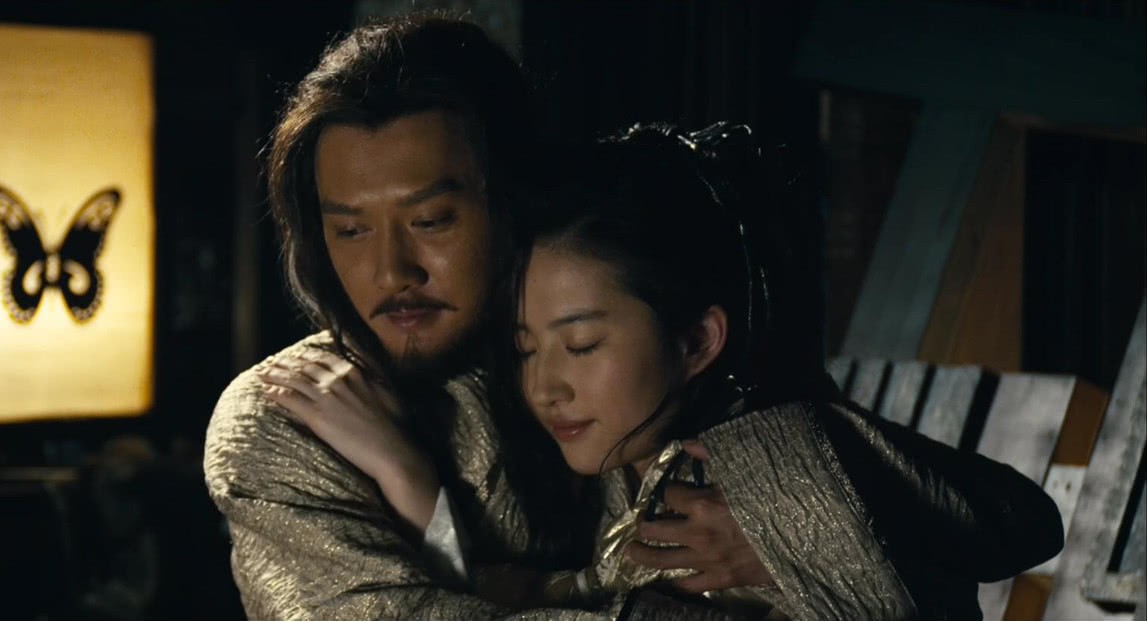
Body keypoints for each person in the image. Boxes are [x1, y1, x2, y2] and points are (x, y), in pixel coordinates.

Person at [207, 15, 1063, 619]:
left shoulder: (640, 370)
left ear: (513, 201)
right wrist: (419, 492)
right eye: (350, 230)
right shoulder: (290, 419)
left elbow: (1000, 521)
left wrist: (793, 534)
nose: (392, 271)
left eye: (431, 220)